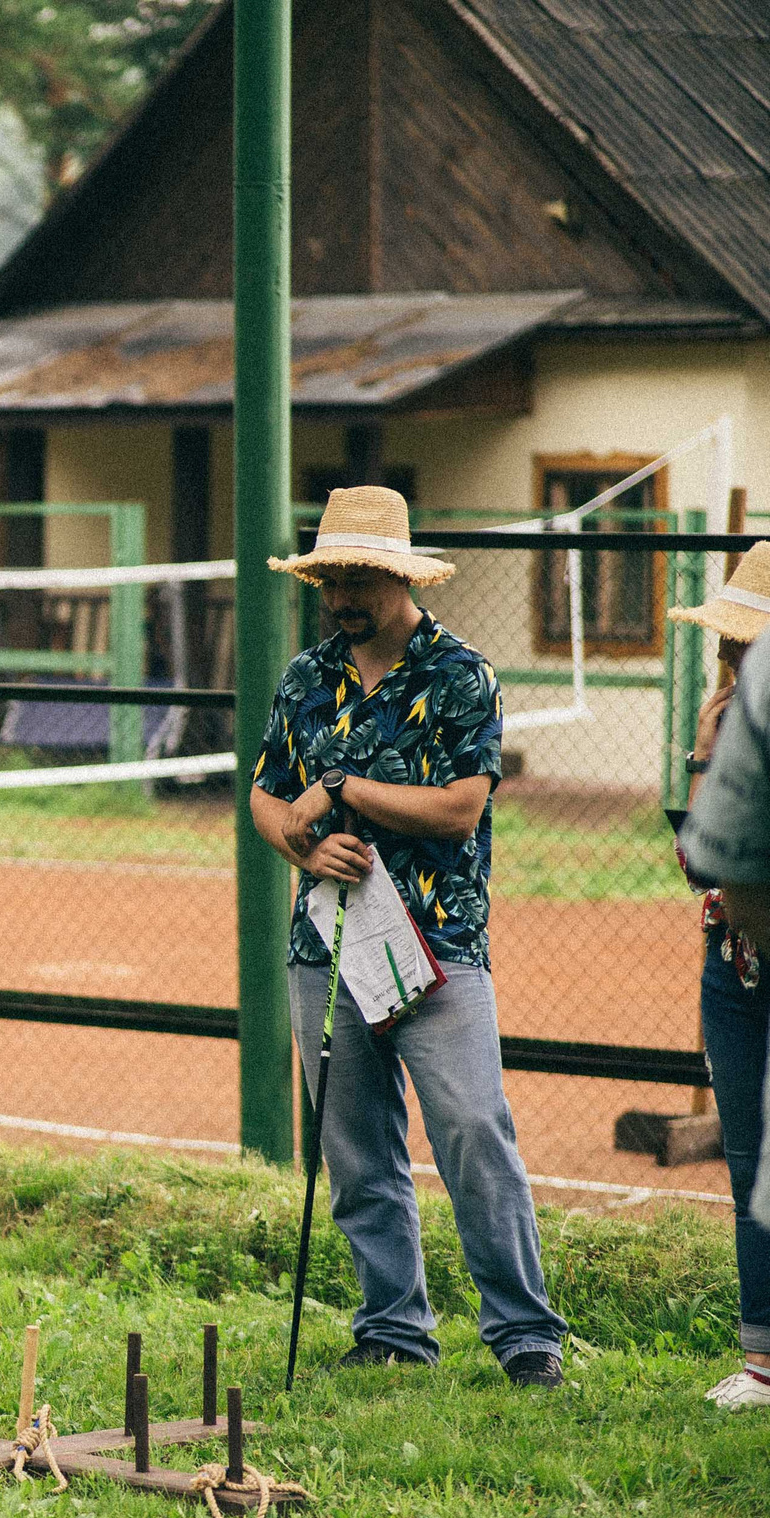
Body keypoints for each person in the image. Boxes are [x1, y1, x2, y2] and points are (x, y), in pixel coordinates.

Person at [251, 486, 567, 1387]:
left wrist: (347, 789)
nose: (340, 599)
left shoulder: (461, 674)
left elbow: (462, 807)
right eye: (329, 582)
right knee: (354, 1147)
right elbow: (268, 795)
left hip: (441, 947)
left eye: (357, 580)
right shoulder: (307, 676)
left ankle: (524, 1334)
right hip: (327, 944)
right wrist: (301, 847)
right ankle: (392, 1324)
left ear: (397, 576)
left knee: (472, 1127)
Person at [668, 541, 770, 1411]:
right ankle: (763, 1364)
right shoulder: (727, 726)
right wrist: (706, 758)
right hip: (733, 973)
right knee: (748, 1167)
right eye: (729, 644)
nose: (731, 662)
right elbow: (696, 864)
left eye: (748, 646)